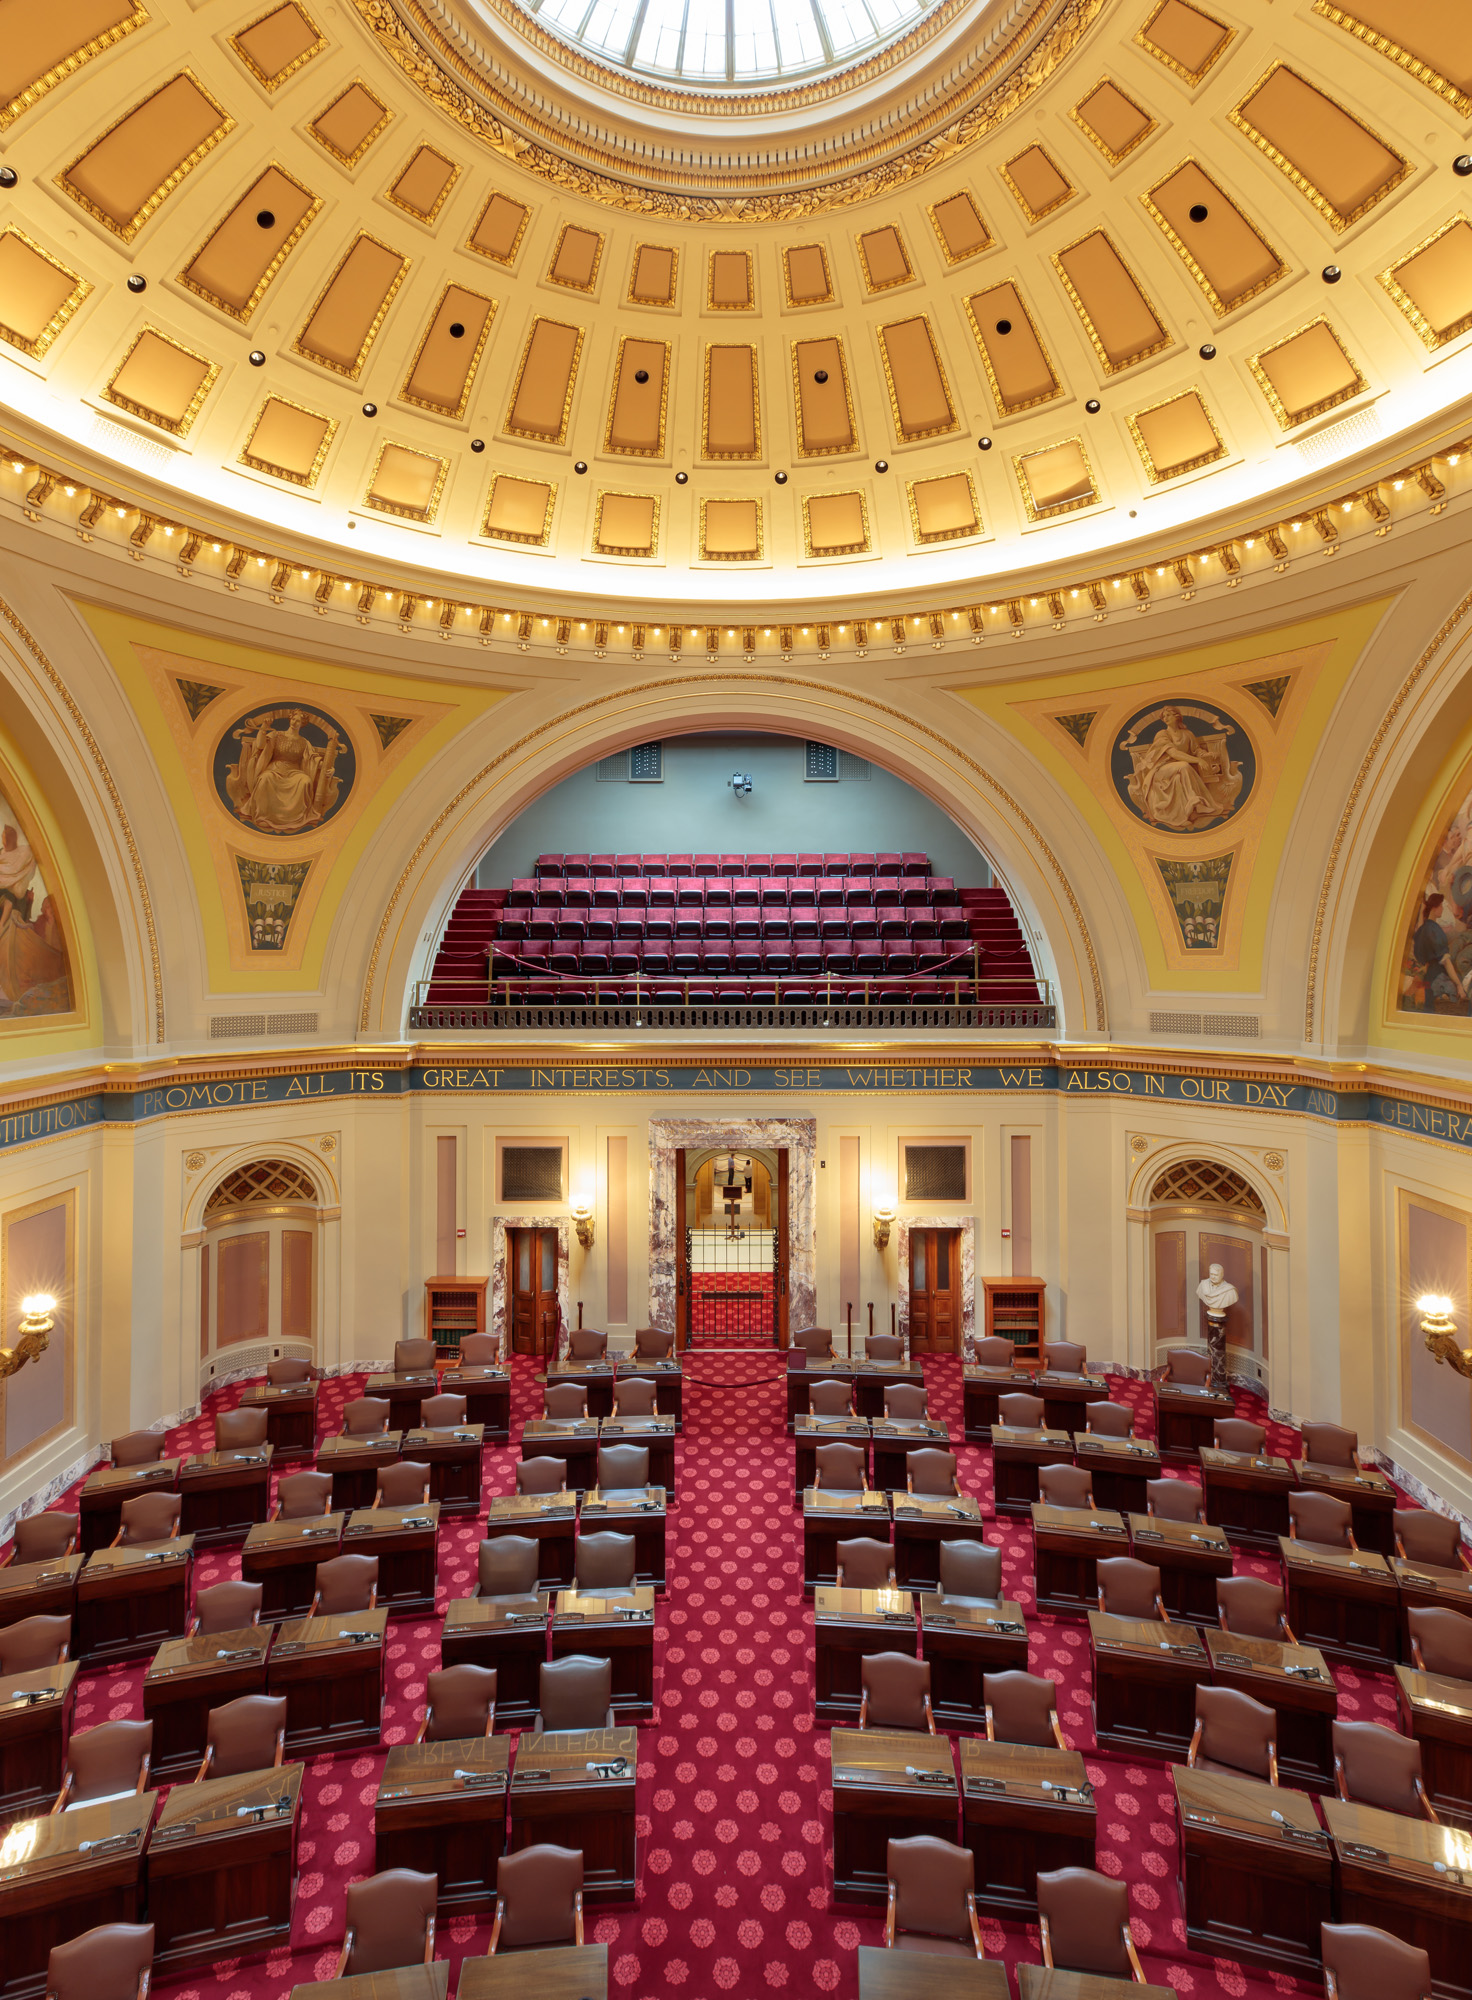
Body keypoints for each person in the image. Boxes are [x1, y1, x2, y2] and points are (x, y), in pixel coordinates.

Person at [1411, 892, 1467, 1010]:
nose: (1443, 908)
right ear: (1434, 908)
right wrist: (1458, 985)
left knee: (1429, 1008)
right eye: (1441, 906)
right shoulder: (1435, 931)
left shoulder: (1423, 929)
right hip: (1438, 977)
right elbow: (1446, 962)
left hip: (1428, 977)